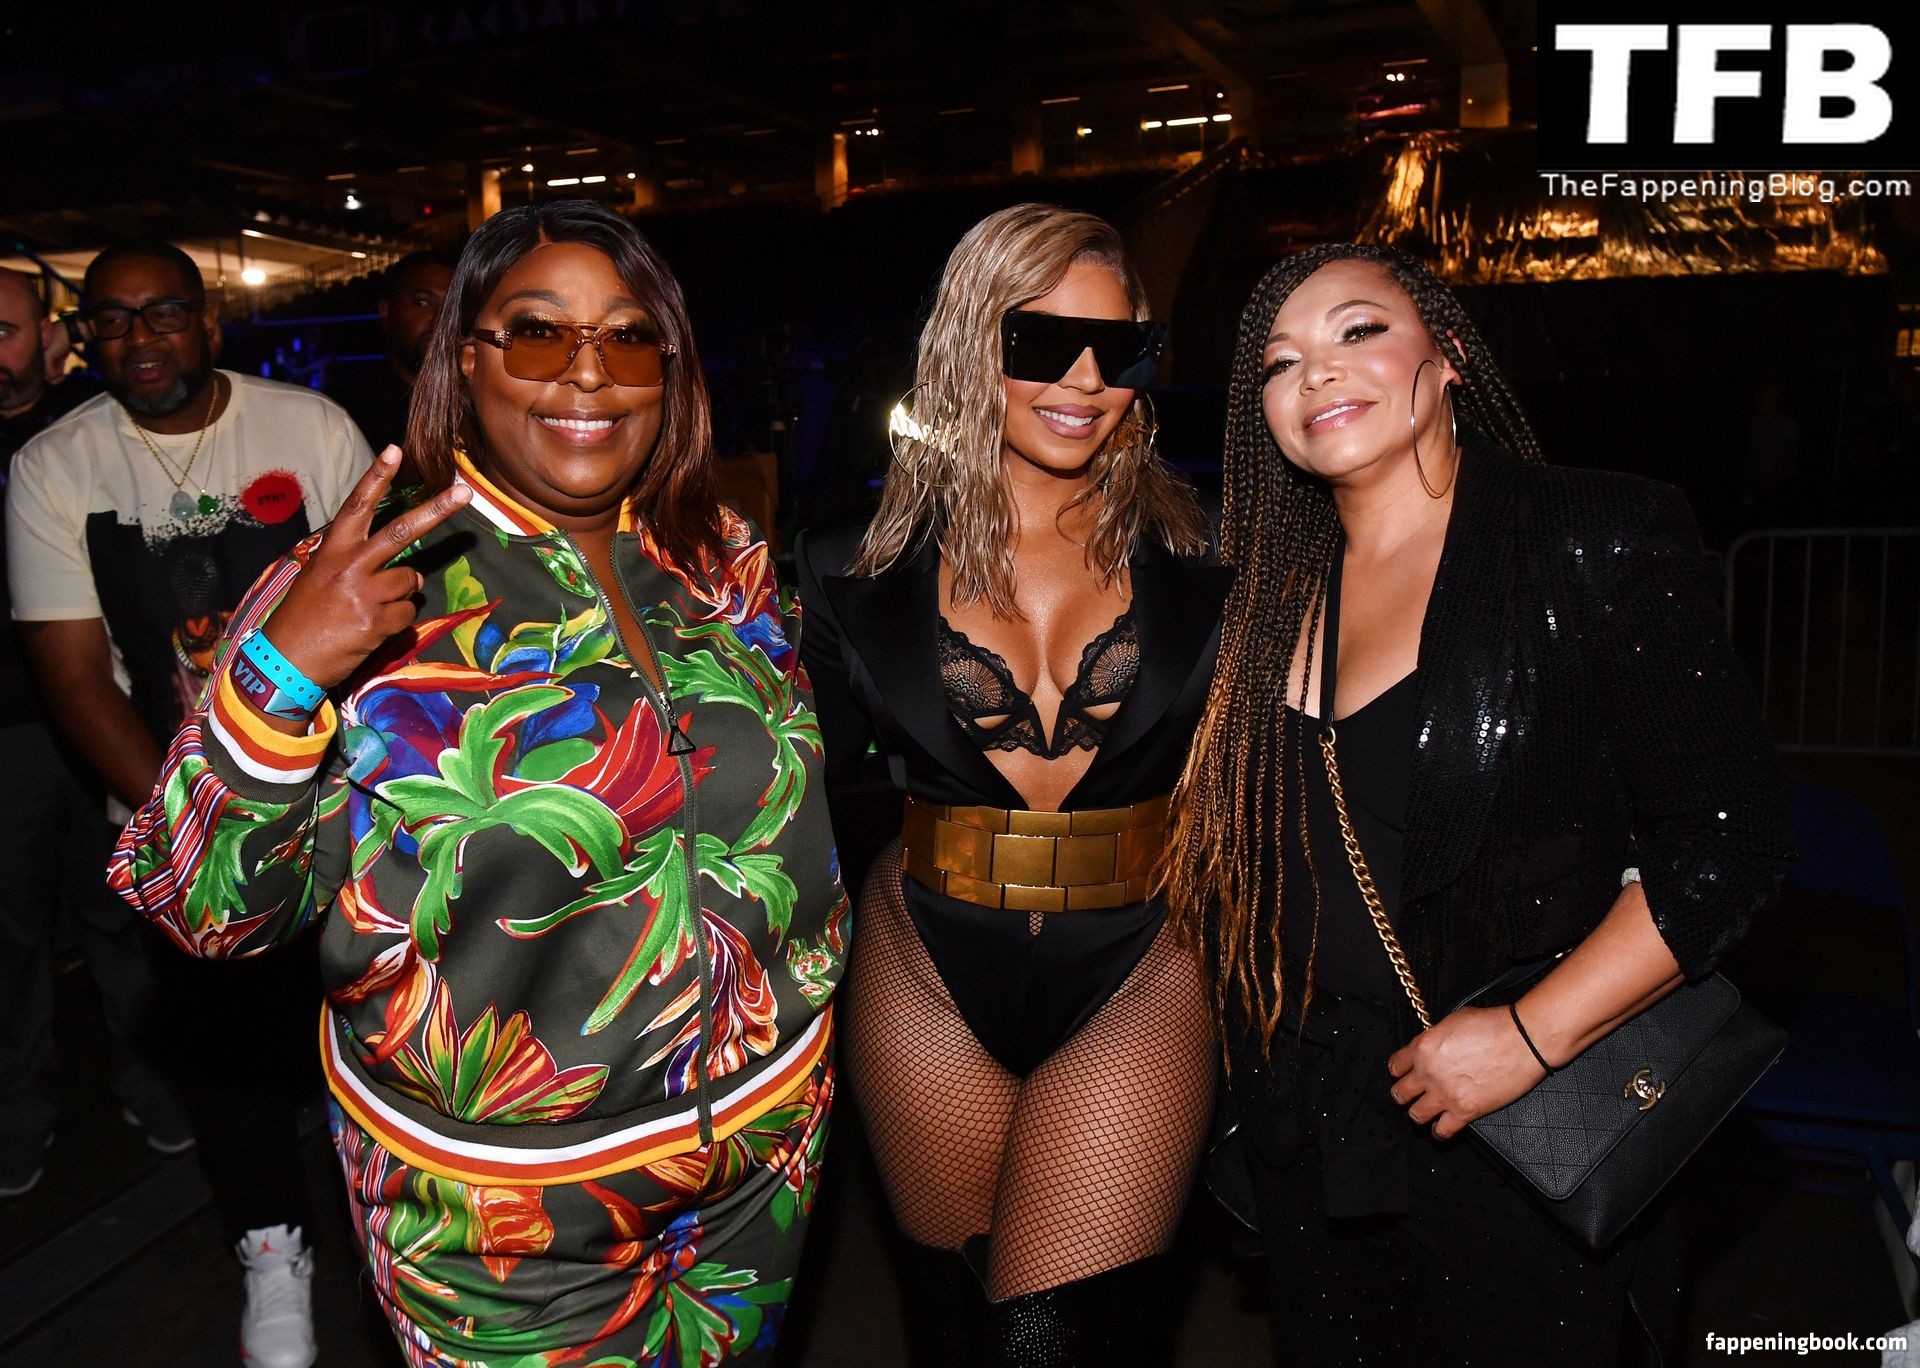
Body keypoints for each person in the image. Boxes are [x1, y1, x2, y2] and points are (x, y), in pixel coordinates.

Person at [111, 200, 845, 1368]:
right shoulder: (362, 588)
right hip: (500, 1220)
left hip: (767, 1161)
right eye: (540, 334)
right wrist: (278, 676)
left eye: (629, 337)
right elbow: (199, 908)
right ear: (466, 359)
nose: (589, 374)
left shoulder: (721, 555)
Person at [1157, 242, 1797, 1365]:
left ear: (1448, 355)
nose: (1316, 371)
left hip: (1511, 1137)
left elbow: (1728, 840)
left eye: (1358, 331)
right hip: (1309, 1124)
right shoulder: (1266, 596)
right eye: (1279, 362)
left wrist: (1530, 1038)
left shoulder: (1588, 536)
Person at [795, 204, 1227, 1365]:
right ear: (967, 343)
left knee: (1051, 1342)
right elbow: (775, 790)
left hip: (1141, 959)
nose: (1085, 381)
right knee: (955, 1327)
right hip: (926, 966)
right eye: (1042, 344)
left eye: (1120, 348)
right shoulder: (846, 566)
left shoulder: (1214, 559)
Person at [7, 240, 372, 1365]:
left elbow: (384, 611)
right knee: (222, 1044)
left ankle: (392, 1230)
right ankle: (272, 1248)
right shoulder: (55, 465)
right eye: (112, 321)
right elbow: (76, 679)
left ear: (209, 323)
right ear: (85, 339)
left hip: (341, 798)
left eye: (162, 312)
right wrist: (202, 821)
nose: (139, 339)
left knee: (368, 1025)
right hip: (173, 807)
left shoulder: (309, 428)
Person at [0, 266, 184, 1200]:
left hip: (102, 711)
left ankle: (151, 1083)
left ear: (49, 336)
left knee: (123, 912)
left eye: (5, 331)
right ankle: (17, 1113)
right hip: (5, 732)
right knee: (9, 934)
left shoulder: (99, 429)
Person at [325, 250, 457, 453]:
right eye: (422, 302)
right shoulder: (346, 418)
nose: (441, 319)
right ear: (386, 311)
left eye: (453, 306)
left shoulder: (480, 407)